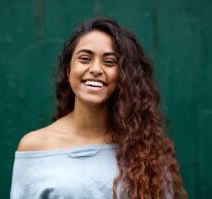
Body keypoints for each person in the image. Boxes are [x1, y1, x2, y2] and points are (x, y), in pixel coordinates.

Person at [10, 17, 187, 199]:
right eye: (85, 59)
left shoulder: (145, 148)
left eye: (110, 62)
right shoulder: (35, 146)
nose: (95, 69)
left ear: (123, 76)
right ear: (68, 70)